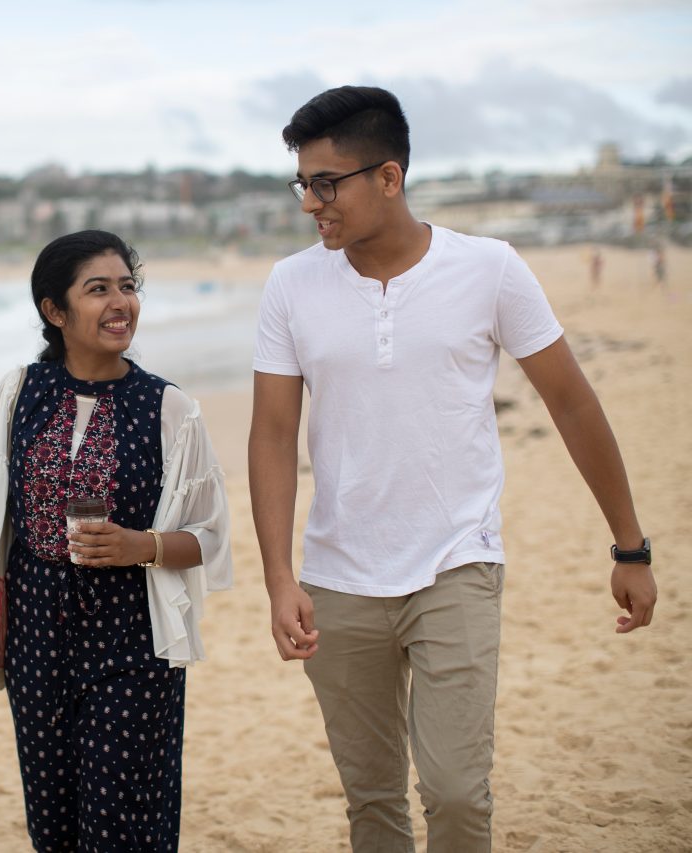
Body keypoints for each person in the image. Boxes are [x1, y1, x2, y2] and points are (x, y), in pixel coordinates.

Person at [249, 86, 657, 852]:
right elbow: (273, 434)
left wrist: (629, 545)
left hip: (456, 565)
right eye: (302, 183)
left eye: (326, 183)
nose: (311, 203)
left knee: (458, 795)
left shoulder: (490, 269)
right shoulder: (290, 285)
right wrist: (279, 576)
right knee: (372, 802)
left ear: (389, 178)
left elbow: (572, 403)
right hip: (338, 577)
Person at [0, 230, 232, 851]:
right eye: (97, 289)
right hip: (36, 641)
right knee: (53, 826)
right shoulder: (20, 392)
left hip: (131, 646)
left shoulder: (169, 408)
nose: (120, 302)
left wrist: (141, 545)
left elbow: (209, 537)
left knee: (121, 829)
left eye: (128, 287)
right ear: (55, 310)